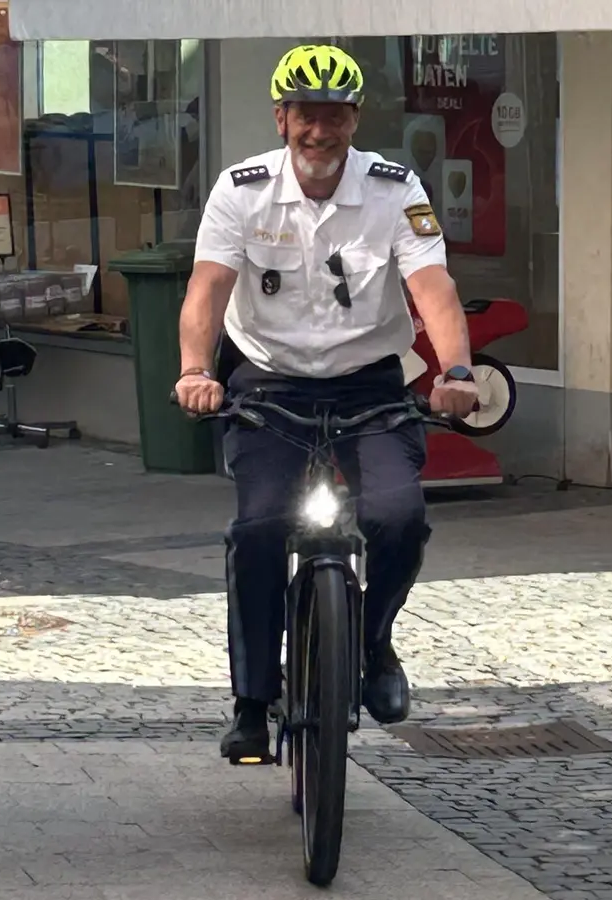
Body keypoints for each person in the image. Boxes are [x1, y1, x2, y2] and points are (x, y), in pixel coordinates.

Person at [173, 44, 479, 762]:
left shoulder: (394, 188)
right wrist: (194, 370)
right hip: (269, 384)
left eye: (335, 115)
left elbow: (433, 289)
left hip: (367, 383)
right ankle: (253, 701)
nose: (321, 130)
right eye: (306, 115)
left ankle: (373, 644)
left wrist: (457, 371)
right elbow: (207, 290)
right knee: (258, 528)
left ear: (355, 119)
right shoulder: (241, 190)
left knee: (398, 518)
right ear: (281, 118)